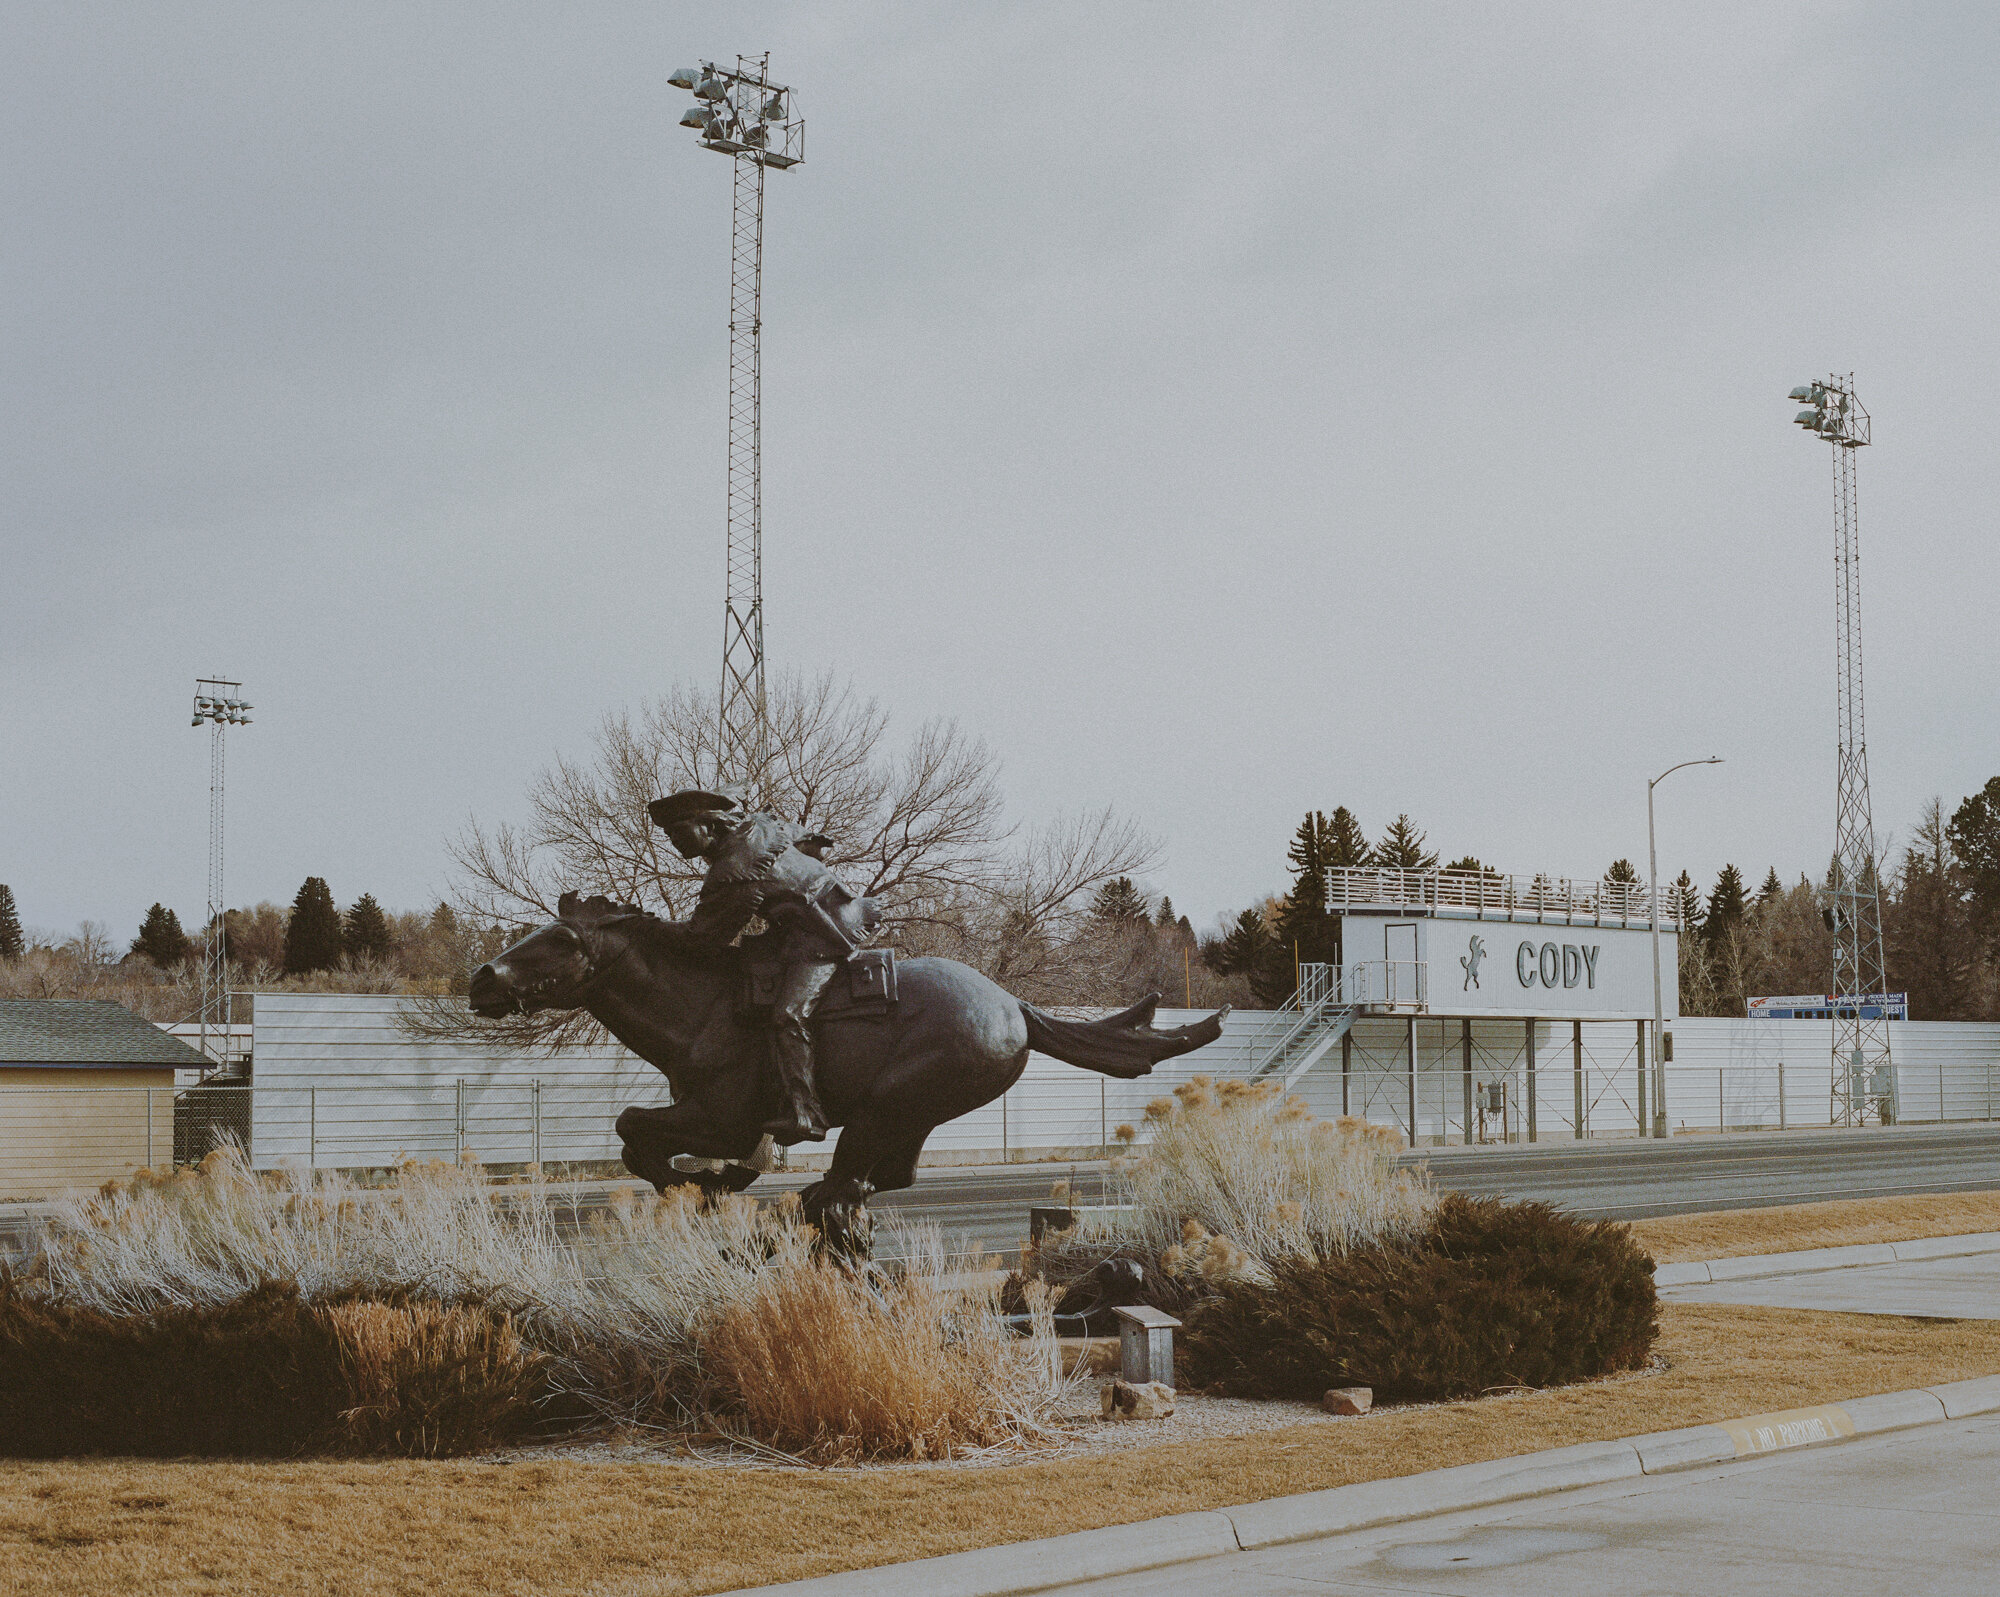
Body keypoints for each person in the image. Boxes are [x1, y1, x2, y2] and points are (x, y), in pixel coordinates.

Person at [647, 788, 873, 1144]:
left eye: (679, 830)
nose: (673, 841)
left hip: (821, 934)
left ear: (708, 825)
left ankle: (806, 1111)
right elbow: (801, 835)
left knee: (787, 1014)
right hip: (807, 920)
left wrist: (648, 927)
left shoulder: (735, 869)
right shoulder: (758, 826)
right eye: (669, 834)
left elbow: (702, 938)